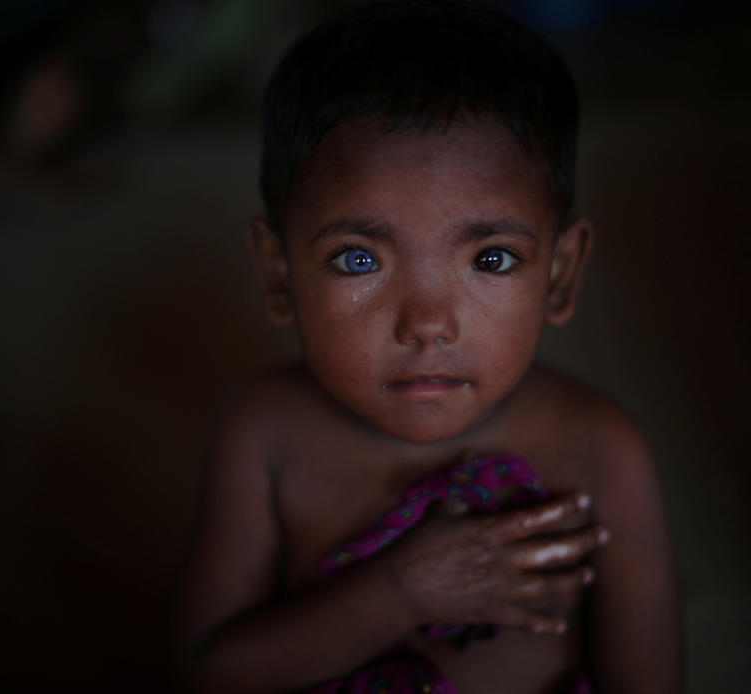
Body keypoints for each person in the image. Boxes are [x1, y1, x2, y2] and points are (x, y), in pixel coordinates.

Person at [176, 1, 681, 692]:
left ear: (560, 275)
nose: (427, 323)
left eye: (493, 260)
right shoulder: (266, 431)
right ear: (277, 273)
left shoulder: (600, 447)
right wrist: (401, 592)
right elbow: (210, 674)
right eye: (359, 260)